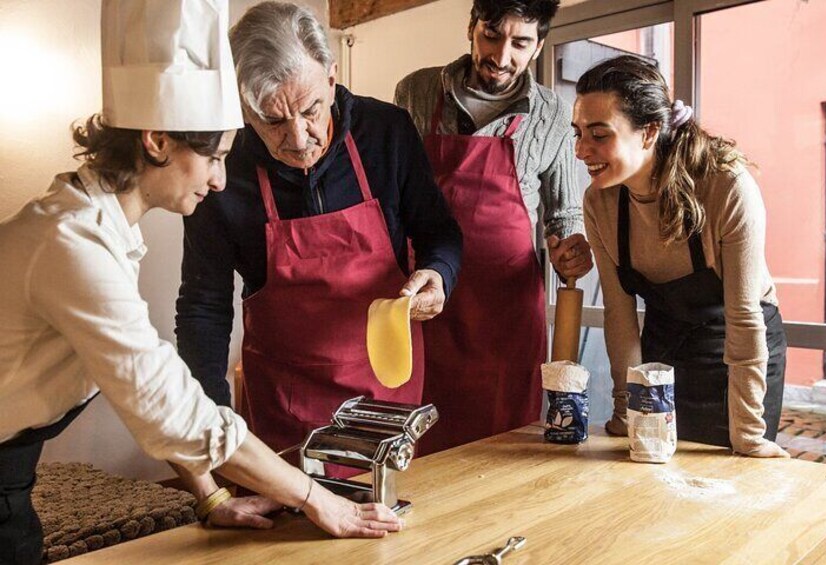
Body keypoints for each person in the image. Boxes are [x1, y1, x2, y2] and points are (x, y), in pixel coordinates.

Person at [0, 2, 402, 562]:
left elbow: (153, 391)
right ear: (158, 140)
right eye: (213, 157)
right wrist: (318, 500)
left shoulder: (99, 228)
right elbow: (170, 407)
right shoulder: (71, 244)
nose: (219, 180)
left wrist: (210, 497)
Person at [174, 1, 462, 517]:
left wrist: (438, 275)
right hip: (286, 406)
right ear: (242, 107)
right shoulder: (223, 169)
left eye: (310, 109)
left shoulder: (387, 133)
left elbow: (441, 234)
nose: (299, 138)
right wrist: (214, 436)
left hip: (386, 400)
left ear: (332, 79)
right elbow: (203, 309)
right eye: (272, 120)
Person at [393, 0, 592, 453]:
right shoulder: (416, 92)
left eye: (520, 42)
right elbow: (394, 194)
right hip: (426, 295)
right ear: (471, 28)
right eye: (492, 36)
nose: (502, 57)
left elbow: (563, 214)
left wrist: (571, 251)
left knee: (503, 442)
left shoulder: (553, 113)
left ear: (538, 44)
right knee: (418, 432)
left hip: (504, 310)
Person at [574, 55, 788, 457]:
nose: (581, 150)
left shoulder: (725, 186)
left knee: (726, 479)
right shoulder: (599, 201)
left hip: (740, 347)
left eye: (599, 135)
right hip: (666, 343)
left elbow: (744, 317)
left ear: (650, 131)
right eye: (579, 132)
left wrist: (748, 436)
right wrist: (626, 409)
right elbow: (619, 314)